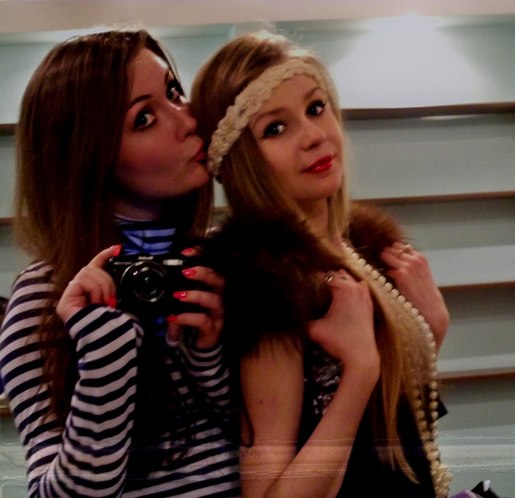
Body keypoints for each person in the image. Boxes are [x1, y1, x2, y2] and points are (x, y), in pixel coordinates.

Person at [190, 31, 452, 498]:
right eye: (276, 129)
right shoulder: (270, 283)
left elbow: (397, 432)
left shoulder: (362, 253)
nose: (314, 136)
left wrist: (430, 329)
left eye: (315, 108)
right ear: (241, 160)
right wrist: (360, 368)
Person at [0, 30, 240, 497]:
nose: (187, 119)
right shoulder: (45, 297)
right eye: (144, 118)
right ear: (89, 157)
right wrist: (105, 368)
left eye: (174, 92)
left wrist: (209, 361)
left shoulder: (220, 263)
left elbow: (271, 449)